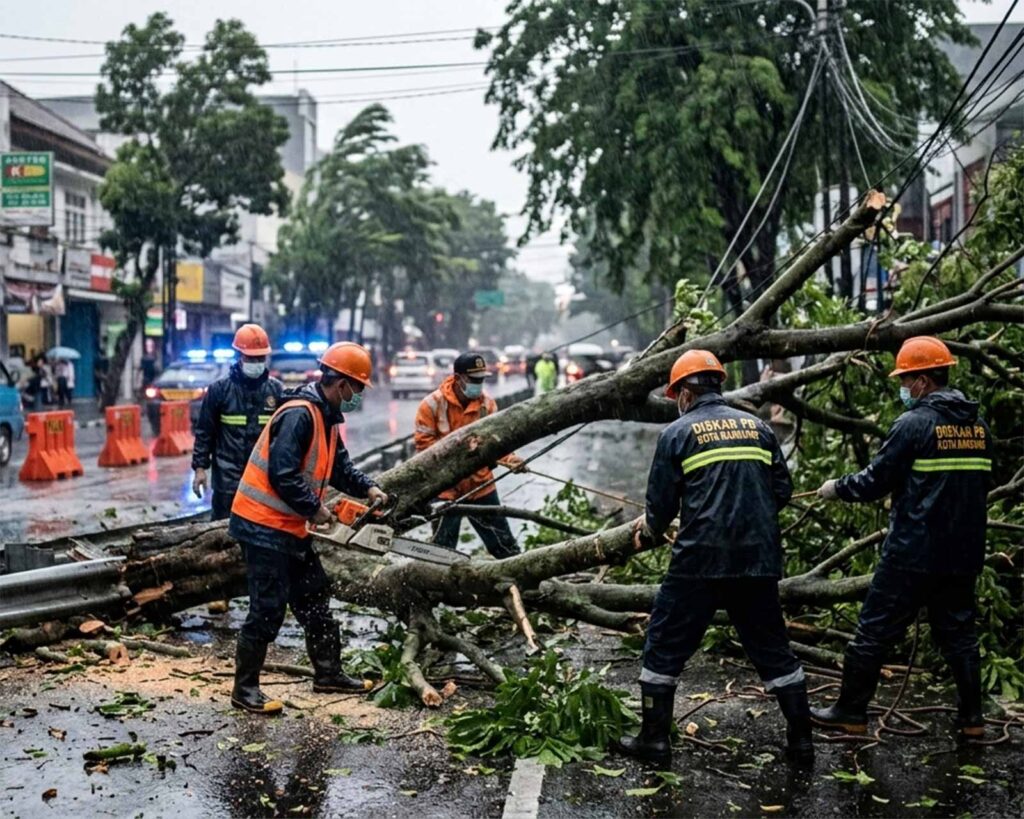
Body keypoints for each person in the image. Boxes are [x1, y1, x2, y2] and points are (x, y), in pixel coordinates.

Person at [615, 350, 812, 767]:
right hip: (758, 559)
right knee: (774, 650)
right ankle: (802, 742)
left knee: (664, 648)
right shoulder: (758, 427)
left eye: (675, 395)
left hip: (699, 561)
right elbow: (783, 491)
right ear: (718, 385)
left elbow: (660, 510)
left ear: (685, 392)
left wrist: (652, 528)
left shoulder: (677, 433)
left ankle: (654, 741)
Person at [811, 336, 991, 740]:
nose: (904, 388)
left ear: (924, 381)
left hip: (913, 553)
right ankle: (973, 721)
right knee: (960, 636)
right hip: (963, 553)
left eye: (906, 380)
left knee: (873, 632)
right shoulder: (977, 426)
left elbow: (876, 480)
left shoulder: (913, 424)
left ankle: (850, 712)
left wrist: (837, 488)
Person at [228, 342, 388, 715]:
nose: (358, 397)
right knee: (267, 608)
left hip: (289, 526)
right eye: (358, 389)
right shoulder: (300, 414)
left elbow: (340, 468)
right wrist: (316, 510)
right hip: (262, 526)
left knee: (315, 596)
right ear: (342, 383)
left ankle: (328, 673)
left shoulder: (326, 416)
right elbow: (282, 474)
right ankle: (244, 688)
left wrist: (369, 488)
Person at [414, 351, 526, 560]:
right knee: (442, 552)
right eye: (474, 380)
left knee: (505, 547)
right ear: (458, 378)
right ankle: (440, 589)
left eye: (481, 380)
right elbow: (423, 447)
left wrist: (512, 460)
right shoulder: (432, 405)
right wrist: (456, 459)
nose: (479, 384)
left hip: (481, 486)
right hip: (445, 490)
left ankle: (522, 582)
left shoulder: (488, 406)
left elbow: (498, 444)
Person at [191, 325, 285, 520]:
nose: (256, 362)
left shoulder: (276, 392)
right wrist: (200, 469)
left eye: (260, 358)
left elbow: (285, 438)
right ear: (240, 356)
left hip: (263, 482)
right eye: (251, 358)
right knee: (222, 533)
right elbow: (204, 432)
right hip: (227, 482)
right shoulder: (219, 390)